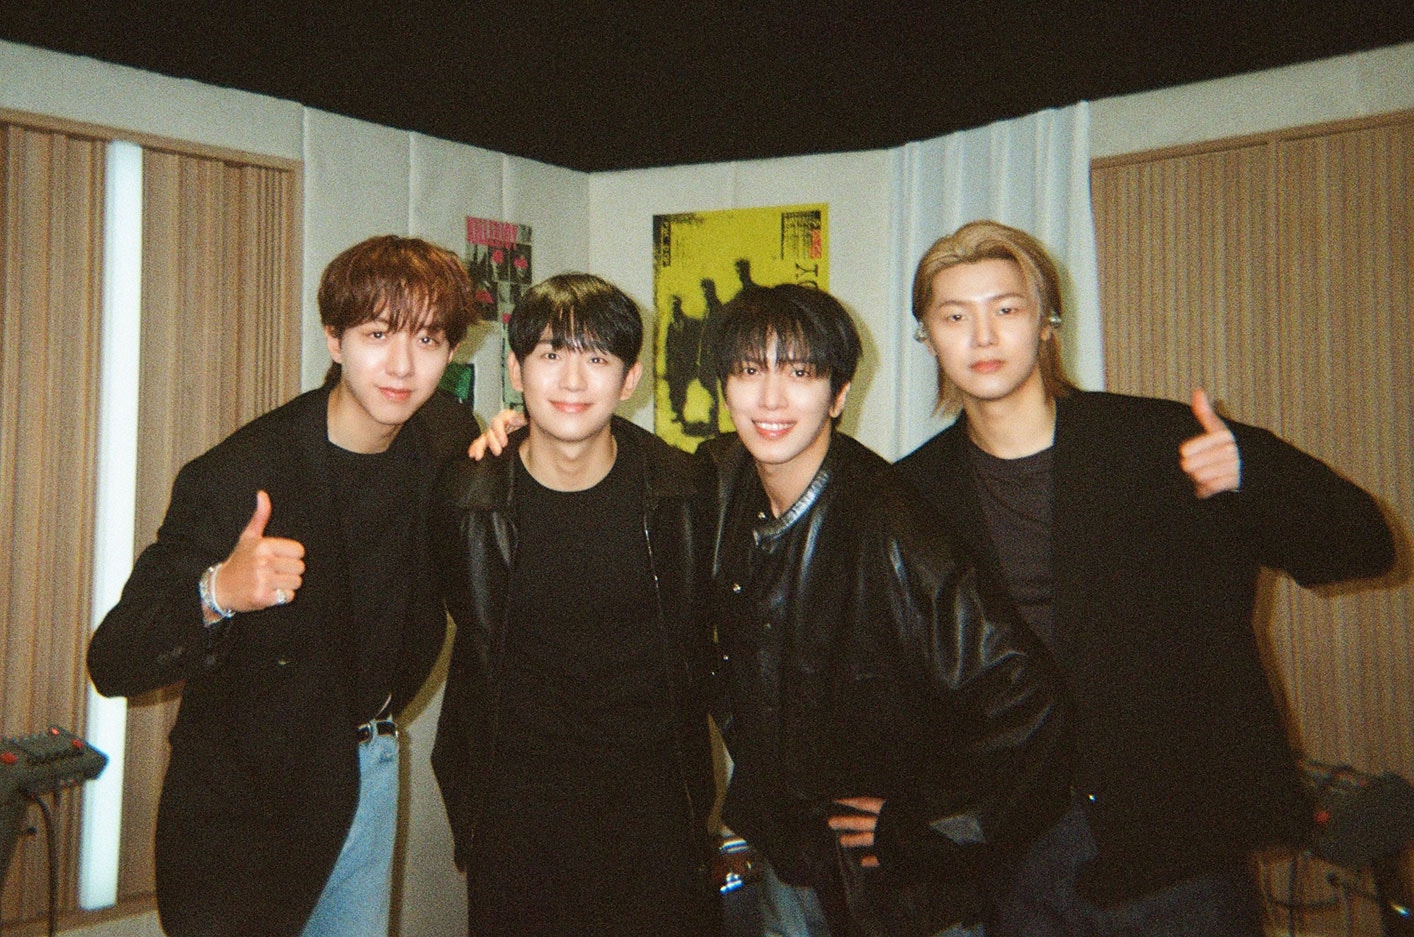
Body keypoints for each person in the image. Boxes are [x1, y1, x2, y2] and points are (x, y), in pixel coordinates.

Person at [893, 219, 1397, 936]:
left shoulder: (1161, 443)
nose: (982, 335)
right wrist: (899, 812)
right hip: (1018, 849)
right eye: (954, 316)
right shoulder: (913, 494)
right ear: (929, 340)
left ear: (1045, 324)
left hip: (1177, 840)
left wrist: (1255, 473)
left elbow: (1364, 547)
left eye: (1005, 308)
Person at [86, 234, 478, 937]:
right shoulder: (239, 473)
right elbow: (113, 659)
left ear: (450, 352)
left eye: (426, 338)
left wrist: (517, 446)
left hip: (369, 767)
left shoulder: (445, 437)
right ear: (334, 338)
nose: (402, 364)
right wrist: (216, 592)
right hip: (248, 804)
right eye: (377, 334)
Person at [698, 283, 1071, 936]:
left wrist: (924, 823)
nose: (771, 398)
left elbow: (1029, 699)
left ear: (839, 394)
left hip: (898, 892)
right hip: (789, 858)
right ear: (725, 388)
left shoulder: (892, 523)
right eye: (750, 371)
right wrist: (525, 442)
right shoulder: (724, 483)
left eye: (800, 373)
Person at [430, 273, 719, 936]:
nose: (571, 380)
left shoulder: (684, 493)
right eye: (551, 354)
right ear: (515, 370)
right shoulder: (466, 496)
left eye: (597, 358)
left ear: (630, 379)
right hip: (514, 820)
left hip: (654, 817)